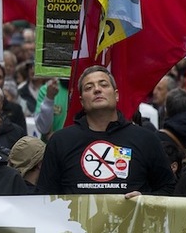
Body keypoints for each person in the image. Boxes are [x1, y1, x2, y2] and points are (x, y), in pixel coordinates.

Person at [35, 65, 176, 196]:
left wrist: (145, 199)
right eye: (89, 87)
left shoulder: (145, 139)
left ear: (116, 95)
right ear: (82, 101)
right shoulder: (61, 141)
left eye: (103, 85)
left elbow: (169, 187)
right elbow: (44, 195)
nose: (97, 90)